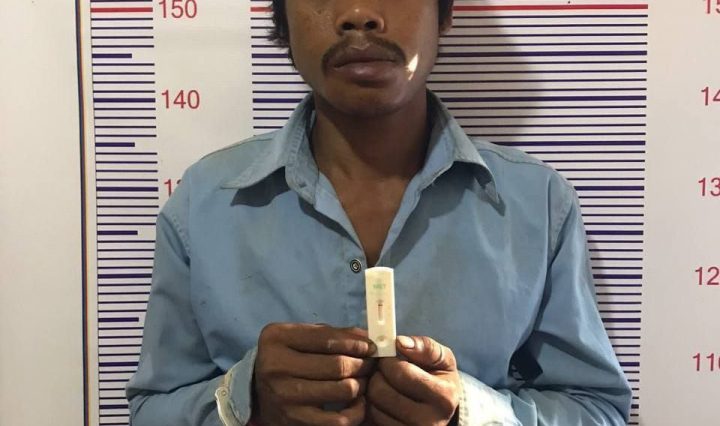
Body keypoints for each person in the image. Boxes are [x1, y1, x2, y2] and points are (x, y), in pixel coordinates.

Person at [126, 0, 632, 424]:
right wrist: (246, 402)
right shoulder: (205, 202)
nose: (359, 13)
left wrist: (471, 412)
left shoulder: (538, 202)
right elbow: (151, 410)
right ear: (282, 21)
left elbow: (596, 409)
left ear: (444, 15)